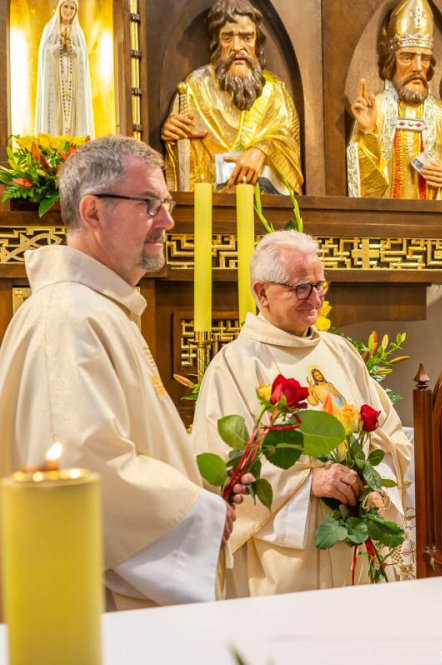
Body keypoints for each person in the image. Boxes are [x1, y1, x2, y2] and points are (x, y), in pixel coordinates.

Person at [0, 135, 250, 610]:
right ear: (93, 212)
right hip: (93, 614)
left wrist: (197, 488)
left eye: (167, 204)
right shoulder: (69, 318)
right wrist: (199, 514)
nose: (168, 221)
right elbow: (83, 466)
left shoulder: (99, 309)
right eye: (150, 204)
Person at [192, 231, 415, 595]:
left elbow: (390, 434)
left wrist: (368, 475)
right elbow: (220, 465)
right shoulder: (235, 365)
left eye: (320, 285)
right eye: (301, 288)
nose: (315, 299)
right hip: (285, 559)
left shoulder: (341, 352)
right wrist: (306, 483)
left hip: (357, 547)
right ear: (262, 292)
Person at [161, 0, 302, 193]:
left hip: (264, 205)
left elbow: (292, 148)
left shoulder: (276, 91)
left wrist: (263, 150)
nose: (237, 47)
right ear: (217, 43)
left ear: (257, 42)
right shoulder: (194, 87)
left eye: (246, 37)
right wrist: (172, 138)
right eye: (227, 38)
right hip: (209, 204)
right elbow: (182, 164)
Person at [347, 0, 442, 200]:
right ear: (392, 61)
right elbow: (365, 189)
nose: (418, 67)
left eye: (425, 58)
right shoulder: (375, 109)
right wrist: (368, 133)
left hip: (432, 219)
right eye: (407, 57)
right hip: (384, 219)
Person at [35, 0, 95, 138]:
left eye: (72, 8)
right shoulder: (50, 29)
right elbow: (45, 53)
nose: (68, 11)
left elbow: (83, 55)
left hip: (73, 83)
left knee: (74, 115)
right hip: (56, 82)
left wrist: (72, 48)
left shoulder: (78, 32)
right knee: (56, 113)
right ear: (60, 7)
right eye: (66, 7)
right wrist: (58, 47)